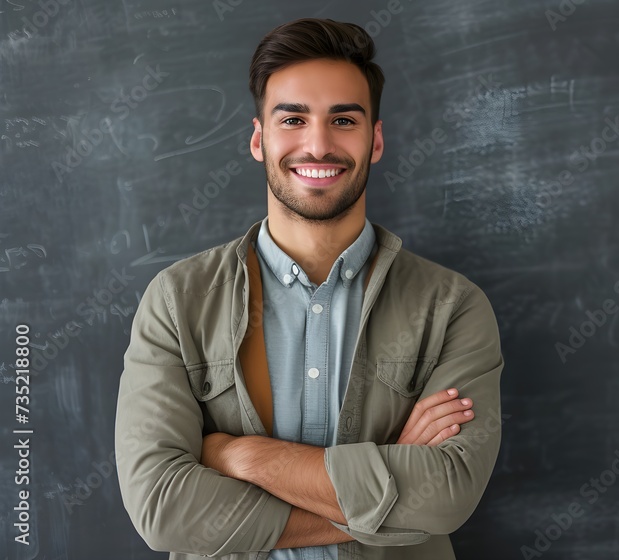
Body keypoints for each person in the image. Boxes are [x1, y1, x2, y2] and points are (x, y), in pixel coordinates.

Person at [114, 17, 504, 560]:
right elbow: (164, 511)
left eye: (343, 119)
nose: (318, 146)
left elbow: (446, 495)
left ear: (376, 140)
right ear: (258, 139)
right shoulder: (177, 301)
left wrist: (243, 457)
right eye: (293, 119)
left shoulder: (452, 307)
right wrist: (386, 487)